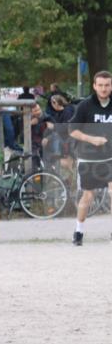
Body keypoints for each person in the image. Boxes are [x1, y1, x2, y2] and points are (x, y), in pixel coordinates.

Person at [69, 70, 112, 245]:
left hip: (110, 157)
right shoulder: (85, 106)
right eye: (100, 85)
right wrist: (92, 139)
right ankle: (78, 231)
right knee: (88, 196)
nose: (104, 88)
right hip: (89, 158)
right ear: (94, 86)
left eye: (107, 85)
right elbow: (72, 130)